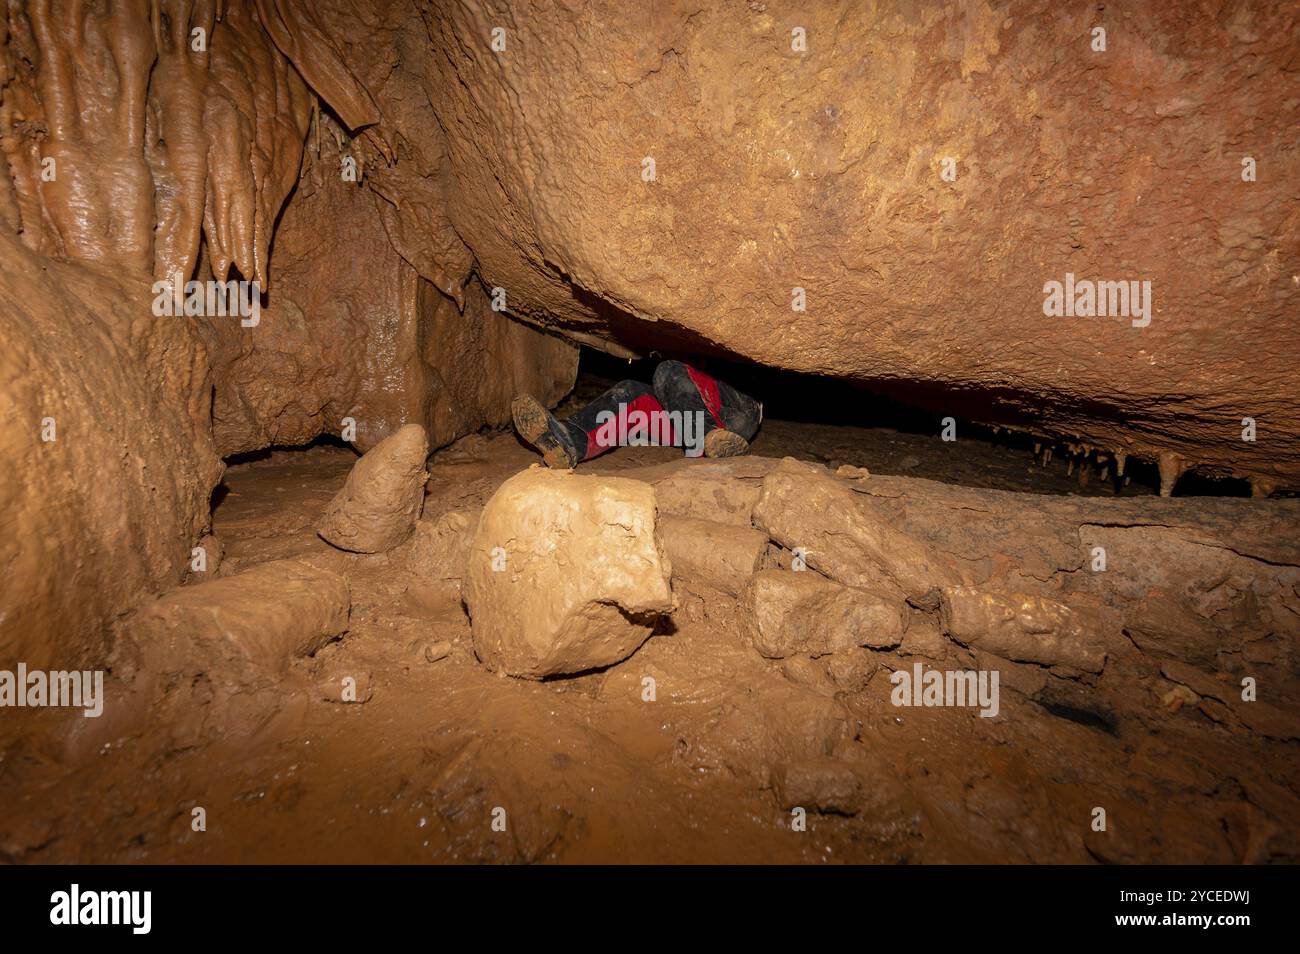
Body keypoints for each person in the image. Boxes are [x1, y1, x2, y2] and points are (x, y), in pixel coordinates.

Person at [511, 359, 763, 469]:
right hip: (688, 418)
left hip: (738, 409)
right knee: (631, 391)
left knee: (668, 372)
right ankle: (567, 442)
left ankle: (711, 443)